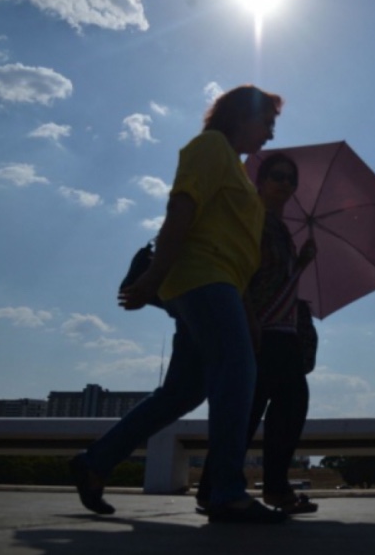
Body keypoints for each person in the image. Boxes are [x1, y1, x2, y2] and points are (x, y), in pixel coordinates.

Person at [69, 84, 287, 524]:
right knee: (237, 373)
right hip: (202, 279)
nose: (269, 135)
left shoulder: (235, 170)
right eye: (266, 122)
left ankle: (95, 461)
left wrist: (247, 312)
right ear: (242, 116)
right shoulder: (210, 147)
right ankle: (225, 491)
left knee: (183, 391)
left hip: (220, 283)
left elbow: (232, 247)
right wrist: (152, 277)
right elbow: (181, 211)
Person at [196, 152, 318, 515]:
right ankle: (270, 489)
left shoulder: (281, 229)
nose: (284, 184)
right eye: (277, 176)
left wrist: (301, 263)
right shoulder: (253, 221)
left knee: (258, 406)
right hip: (259, 327)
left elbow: (275, 276)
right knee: (278, 403)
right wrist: (246, 317)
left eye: (290, 180)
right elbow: (239, 271)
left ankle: (214, 486)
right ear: (260, 182)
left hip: (281, 330)